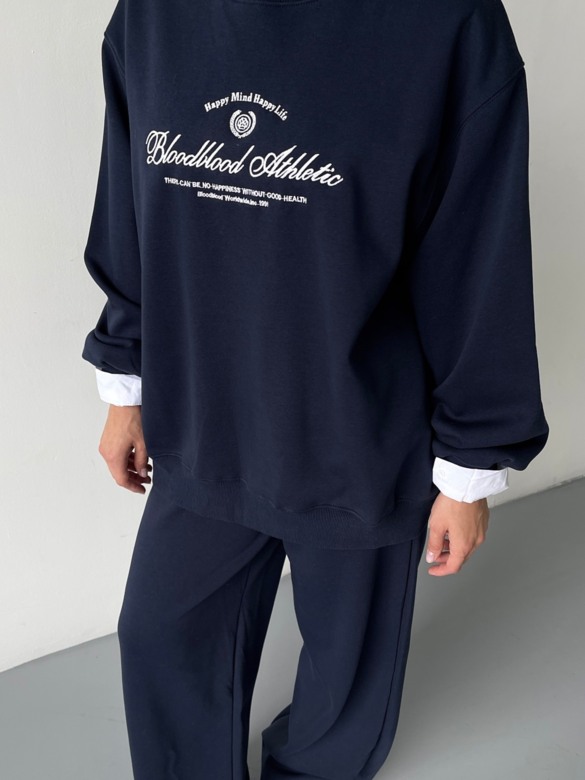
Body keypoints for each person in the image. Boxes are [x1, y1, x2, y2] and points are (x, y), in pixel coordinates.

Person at [81, 0, 550, 777]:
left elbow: (479, 257)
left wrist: (470, 466)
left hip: (359, 430)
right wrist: (124, 385)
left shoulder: (447, 23)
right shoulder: (155, 14)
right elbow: (129, 211)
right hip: (203, 412)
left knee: (346, 685)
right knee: (160, 634)